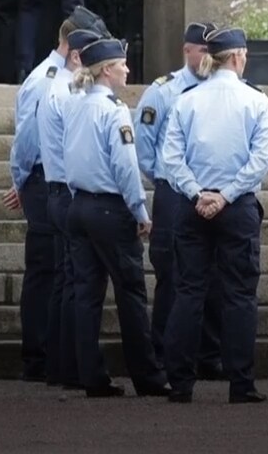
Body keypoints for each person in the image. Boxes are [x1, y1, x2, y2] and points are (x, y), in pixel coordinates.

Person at [160, 27, 268, 404]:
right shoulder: (255, 100)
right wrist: (225, 196)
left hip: (193, 205)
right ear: (239, 56)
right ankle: (240, 382)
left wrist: (198, 193)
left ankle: (180, 382)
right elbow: (261, 159)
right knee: (240, 295)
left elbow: (171, 158)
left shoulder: (187, 100)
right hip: (237, 205)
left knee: (189, 291)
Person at [62, 37, 172, 398]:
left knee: (86, 296)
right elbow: (125, 167)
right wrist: (140, 210)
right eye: (122, 63)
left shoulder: (74, 104)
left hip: (78, 206)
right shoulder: (114, 110)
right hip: (110, 209)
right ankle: (148, 377)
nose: (127, 68)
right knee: (131, 293)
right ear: (107, 69)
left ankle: (90, 375)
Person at [3, 5, 107, 385]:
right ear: (73, 46)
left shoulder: (55, 76)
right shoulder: (49, 79)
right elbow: (28, 139)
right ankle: (38, 356)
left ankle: (47, 354)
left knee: (53, 270)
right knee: (47, 270)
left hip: (46, 178)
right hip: (44, 178)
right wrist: (21, 179)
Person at [133, 22, 226, 380]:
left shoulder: (223, 91)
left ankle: (209, 354)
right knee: (172, 275)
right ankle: (163, 352)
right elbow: (145, 147)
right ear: (186, 50)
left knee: (215, 274)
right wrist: (167, 183)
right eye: (201, 50)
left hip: (214, 190)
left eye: (211, 51)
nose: (206, 57)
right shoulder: (164, 92)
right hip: (174, 192)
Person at [37, 9, 112, 388]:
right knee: (74, 284)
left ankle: (61, 366)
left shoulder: (57, 85)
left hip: (57, 191)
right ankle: (69, 367)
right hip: (68, 192)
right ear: (79, 55)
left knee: (66, 283)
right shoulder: (68, 91)